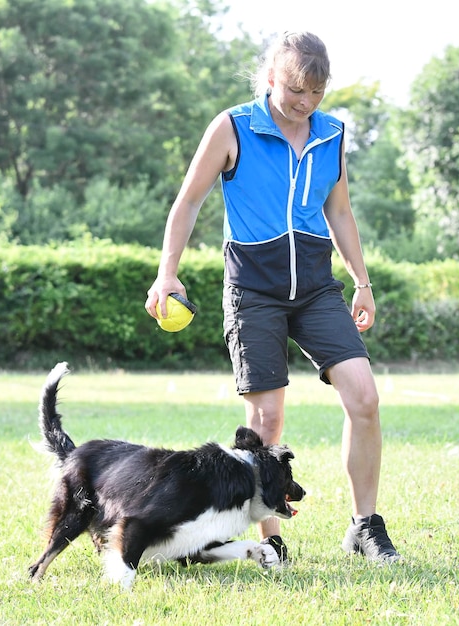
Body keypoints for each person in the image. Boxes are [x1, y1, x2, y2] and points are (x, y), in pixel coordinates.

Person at [145, 31, 400, 564]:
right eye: (294, 89)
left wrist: (362, 282)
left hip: (315, 288)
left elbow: (340, 213)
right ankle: (268, 540)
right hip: (253, 290)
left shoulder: (331, 134)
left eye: (316, 92)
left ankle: (364, 526)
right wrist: (166, 273)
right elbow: (189, 201)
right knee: (266, 424)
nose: (304, 102)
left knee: (365, 398)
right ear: (270, 79)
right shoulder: (233, 126)